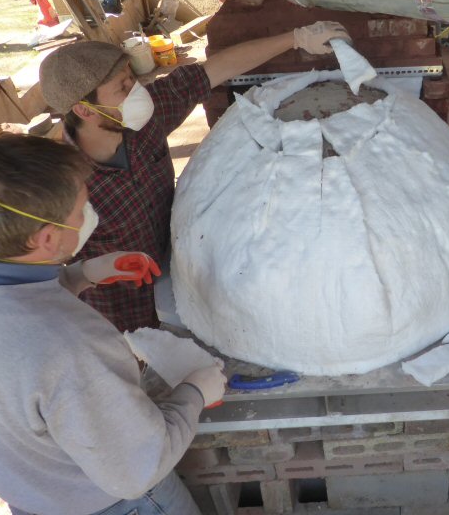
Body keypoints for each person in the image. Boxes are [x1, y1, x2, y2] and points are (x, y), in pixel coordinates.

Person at [39, 22, 349, 333]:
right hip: (124, 317)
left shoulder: (146, 120)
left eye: (132, 79)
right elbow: (42, 275)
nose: (136, 92)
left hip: (185, 276)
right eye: (122, 88)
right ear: (85, 111)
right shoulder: (58, 186)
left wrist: (296, 37)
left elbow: (213, 70)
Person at [0, 134, 227, 515]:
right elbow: (139, 466)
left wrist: (83, 274)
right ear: (47, 238)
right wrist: (195, 392)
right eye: (80, 211)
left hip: (32, 496)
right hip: (114, 504)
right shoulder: (71, 348)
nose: (89, 217)